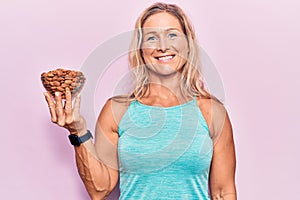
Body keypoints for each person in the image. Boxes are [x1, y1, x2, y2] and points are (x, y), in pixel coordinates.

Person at [44, 2, 237, 200]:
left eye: (172, 35)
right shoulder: (116, 110)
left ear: (188, 45)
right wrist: (78, 131)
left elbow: (223, 192)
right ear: (141, 50)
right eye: (152, 38)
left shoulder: (212, 111)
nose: (163, 46)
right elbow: (99, 189)